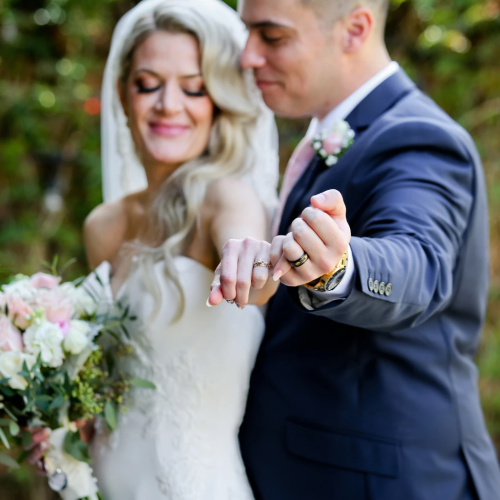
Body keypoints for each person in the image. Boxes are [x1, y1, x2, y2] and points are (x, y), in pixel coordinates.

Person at [208, 0, 500, 499]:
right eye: (246, 34)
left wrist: (340, 267)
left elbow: (419, 261)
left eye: (272, 36)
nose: (248, 57)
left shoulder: (420, 139)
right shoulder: (335, 132)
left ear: (354, 29)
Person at [83, 0, 279, 498]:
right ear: (123, 95)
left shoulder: (225, 198)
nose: (169, 104)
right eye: (148, 84)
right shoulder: (104, 226)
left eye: (193, 87)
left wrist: (254, 264)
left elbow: (251, 264)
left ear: (218, 101)